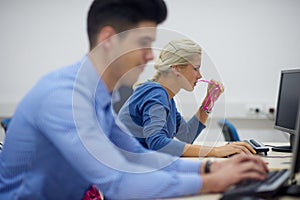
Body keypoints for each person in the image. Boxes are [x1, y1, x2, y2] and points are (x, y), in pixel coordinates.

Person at [0, 0, 268, 199]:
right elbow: (117, 183)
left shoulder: (100, 96)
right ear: (108, 39)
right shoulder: (64, 98)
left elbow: (138, 156)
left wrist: (208, 168)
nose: (151, 56)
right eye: (144, 42)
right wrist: (213, 181)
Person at [118, 39, 256, 157]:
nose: (200, 75)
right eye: (196, 68)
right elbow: (157, 143)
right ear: (176, 69)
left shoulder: (167, 98)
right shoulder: (156, 94)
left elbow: (187, 136)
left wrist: (209, 100)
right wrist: (215, 151)